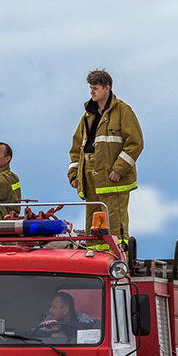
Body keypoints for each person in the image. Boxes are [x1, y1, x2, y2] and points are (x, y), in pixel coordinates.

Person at [67, 69, 143, 251]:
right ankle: (94, 257)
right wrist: (73, 174)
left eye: (95, 88)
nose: (92, 92)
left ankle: (117, 258)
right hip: (90, 178)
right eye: (90, 88)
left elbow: (136, 143)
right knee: (92, 224)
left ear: (107, 88)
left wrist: (119, 169)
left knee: (114, 223)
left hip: (112, 178)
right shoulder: (88, 115)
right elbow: (78, 146)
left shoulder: (123, 111)